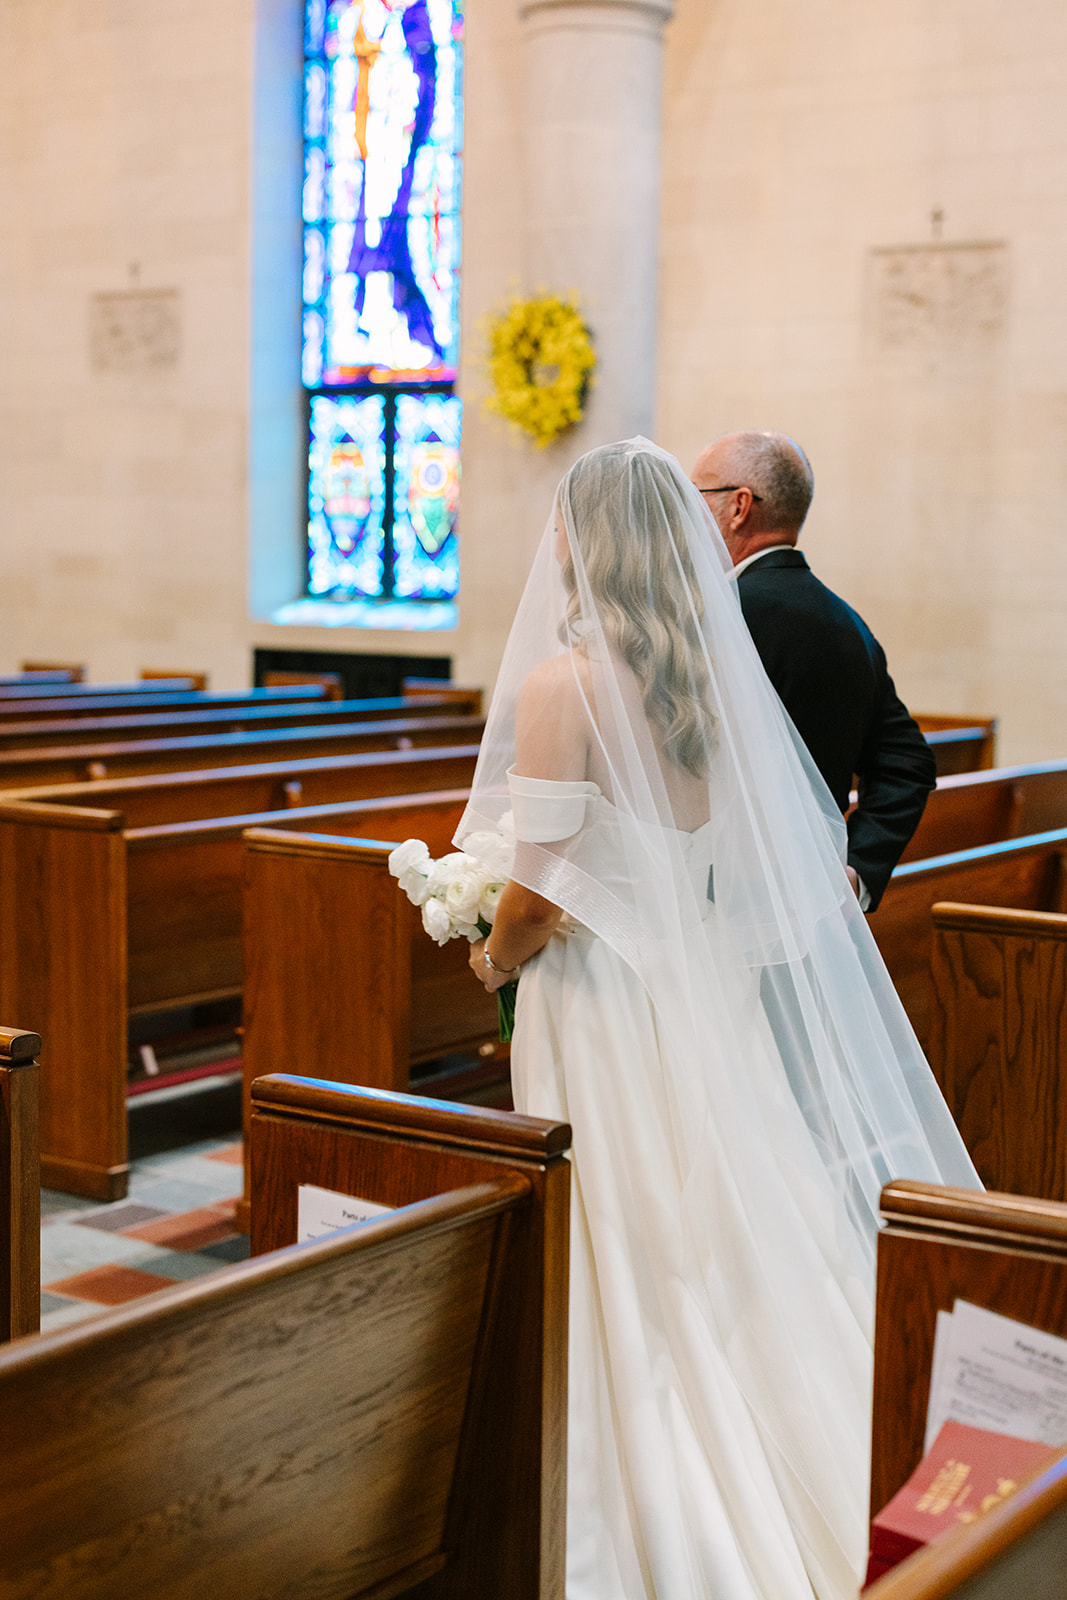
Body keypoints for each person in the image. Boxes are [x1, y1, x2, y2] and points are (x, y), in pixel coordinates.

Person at [459, 438, 977, 1600]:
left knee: (623, 1231)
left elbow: (537, 891)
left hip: (601, 1009)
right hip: (702, 997)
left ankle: (646, 1490)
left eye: (559, 523)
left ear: (587, 543)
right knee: (721, 1226)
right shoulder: (707, 681)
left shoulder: (565, 685)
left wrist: (488, 949)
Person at [691, 431, 935, 911]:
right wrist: (857, 871)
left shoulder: (717, 618)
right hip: (809, 911)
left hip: (717, 905)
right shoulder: (846, 620)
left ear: (739, 506)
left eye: (695, 495)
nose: (684, 514)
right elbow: (908, 763)